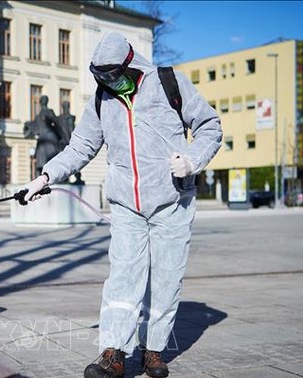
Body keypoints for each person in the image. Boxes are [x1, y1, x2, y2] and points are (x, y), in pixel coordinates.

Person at [19, 31, 222, 378]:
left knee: (166, 279)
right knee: (123, 277)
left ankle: (154, 350)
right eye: (100, 76)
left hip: (172, 200)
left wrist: (191, 160)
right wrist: (45, 177)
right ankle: (113, 353)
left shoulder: (169, 83)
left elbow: (210, 127)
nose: (108, 83)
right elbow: (80, 146)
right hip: (126, 204)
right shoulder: (102, 99)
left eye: (112, 75)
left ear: (131, 66)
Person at [23, 95, 64, 176]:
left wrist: (27, 126)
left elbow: (30, 131)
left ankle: (42, 178)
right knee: (51, 161)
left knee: (42, 162)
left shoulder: (39, 116)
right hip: (50, 139)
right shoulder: (48, 113)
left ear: (40, 103)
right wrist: (61, 136)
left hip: (44, 140)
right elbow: (57, 124)